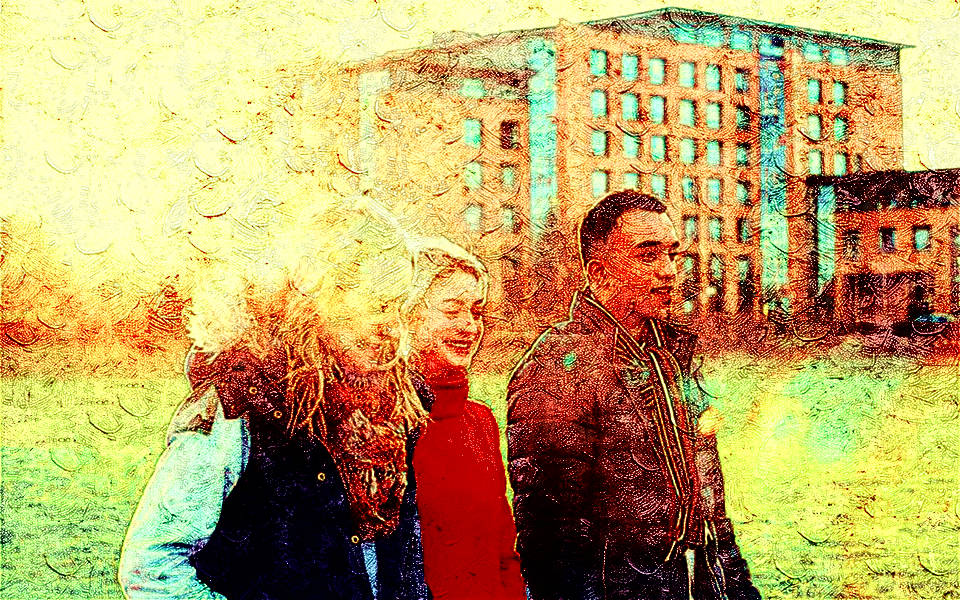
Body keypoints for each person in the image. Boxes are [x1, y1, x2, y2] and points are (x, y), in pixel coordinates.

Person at [118, 209, 430, 600]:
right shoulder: (237, 405)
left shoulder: (391, 408)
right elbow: (151, 567)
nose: (392, 326)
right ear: (318, 299)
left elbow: (398, 565)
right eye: (378, 304)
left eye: (399, 306)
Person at [506, 190, 761, 600]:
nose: (669, 271)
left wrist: (738, 589)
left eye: (672, 254)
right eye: (647, 255)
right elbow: (552, 544)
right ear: (599, 272)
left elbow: (710, 508)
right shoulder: (559, 366)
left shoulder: (673, 355)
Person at [403, 238, 526, 600]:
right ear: (408, 315)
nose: (469, 326)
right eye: (452, 310)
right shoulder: (388, 422)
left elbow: (504, 551)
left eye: (476, 311)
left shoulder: (480, 421)